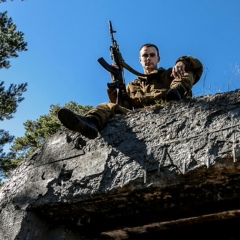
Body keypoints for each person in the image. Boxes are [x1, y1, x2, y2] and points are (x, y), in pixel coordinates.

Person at [58, 43, 203, 139]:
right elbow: (122, 107)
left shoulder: (168, 74)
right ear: (140, 60)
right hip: (143, 116)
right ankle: (90, 123)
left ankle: (177, 91)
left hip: (171, 102)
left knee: (185, 71)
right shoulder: (133, 86)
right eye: (145, 56)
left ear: (158, 58)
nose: (148, 58)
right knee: (105, 106)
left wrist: (181, 62)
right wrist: (116, 83)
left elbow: (196, 67)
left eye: (152, 55)